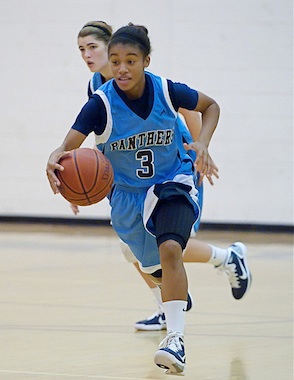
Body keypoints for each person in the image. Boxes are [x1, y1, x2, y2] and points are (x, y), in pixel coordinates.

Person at [46, 23, 251, 374]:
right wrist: (58, 166)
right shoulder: (100, 101)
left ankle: (175, 339)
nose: (121, 67)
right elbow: (68, 148)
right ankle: (185, 285)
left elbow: (209, 106)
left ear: (145, 61)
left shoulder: (165, 89)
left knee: (171, 247)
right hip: (128, 195)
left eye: (129, 60)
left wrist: (202, 144)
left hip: (174, 177)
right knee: (149, 263)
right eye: (115, 60)